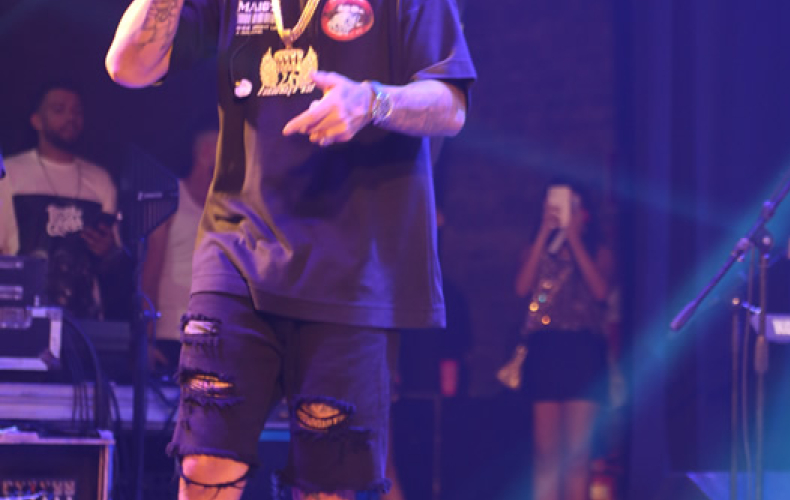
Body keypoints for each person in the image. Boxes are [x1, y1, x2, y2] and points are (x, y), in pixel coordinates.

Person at [105, 1, 476, 500]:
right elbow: (128, 66)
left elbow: (451, 104)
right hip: (237, 248)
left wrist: (372, 101)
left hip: (354, 264)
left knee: (330, 481)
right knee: (205, 459)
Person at [513, 179, 614, 500]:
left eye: (573, 205)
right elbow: (521, 288)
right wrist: (545, 232)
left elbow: (600, 291)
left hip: (583, 350)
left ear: (584, 212)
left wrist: (574, 239)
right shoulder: (536, 248)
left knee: (577, 455)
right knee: (546, 455)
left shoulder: (599, 251)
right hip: (545, 349)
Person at [0, 82, 132, 320]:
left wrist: (108, 251)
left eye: (77, 111)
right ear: (36, 121)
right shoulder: (10, 172)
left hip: (84, 319)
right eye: (59, 109)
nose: (71, 117)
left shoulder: (100, 180)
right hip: (21, 314)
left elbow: (115, 259)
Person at [142, 126, 218, 373]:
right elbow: (150, 271)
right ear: (206, 152)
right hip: (171, 336)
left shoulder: (229, 207)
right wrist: (145, 339)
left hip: (215, 338)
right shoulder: (170, 199)